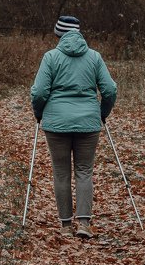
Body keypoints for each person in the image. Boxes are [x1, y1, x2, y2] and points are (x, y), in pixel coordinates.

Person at [30, 15, 117, 238]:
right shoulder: (94, 57)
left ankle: (66, 226)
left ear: (59, 34)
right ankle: (84, 224)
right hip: (88, 123)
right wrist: (101, 113)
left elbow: (39, 92)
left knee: (61, 173)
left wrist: (39, 113)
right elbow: (110, 90)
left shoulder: (51, 57)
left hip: (56, 124)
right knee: (84, 171)